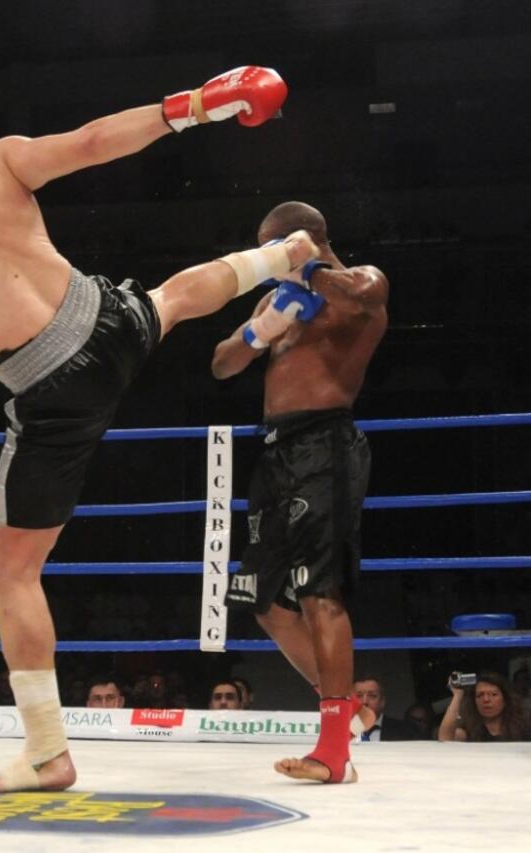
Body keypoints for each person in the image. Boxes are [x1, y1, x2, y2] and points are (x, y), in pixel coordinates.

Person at [0, 67, 317, 794]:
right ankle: (286, 255)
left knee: (10, 572)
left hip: (47, 385)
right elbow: (96, 141)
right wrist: (199, 106)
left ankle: (47, 753)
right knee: (169, 299)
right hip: (102, 317)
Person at [213, 201, 389, 784]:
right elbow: (222, 364)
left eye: (268, 250)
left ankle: (333, 752)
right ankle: (350, 714)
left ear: (299, 240)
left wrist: (307, 268)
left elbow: (365, 297)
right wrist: (261, 329)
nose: (263, 262)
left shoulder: (359, 282)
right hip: (274, 453)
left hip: (326, 446)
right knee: (263, 602)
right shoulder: (276, 300)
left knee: (320, 592)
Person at [438, 672, 531, 742]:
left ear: (505, 699)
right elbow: (445, 737)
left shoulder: (523, 725)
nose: (486, 700)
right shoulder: (469, 728)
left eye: (493, 694)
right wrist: (458, 694)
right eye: (480, 695)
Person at [353, 676, 420, 741]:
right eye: (358, 696)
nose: (364, 702)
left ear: (382, 701)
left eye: (372, 696)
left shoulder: (405, 731)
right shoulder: (346, 729)